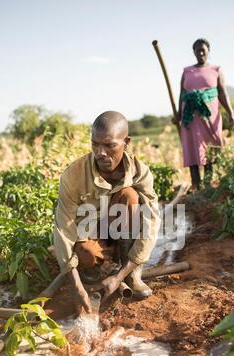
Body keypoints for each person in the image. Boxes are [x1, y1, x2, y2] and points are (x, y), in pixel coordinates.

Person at [53, 111, 160, 316]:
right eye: (95, 144)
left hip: (123, 229)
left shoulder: (140, 172)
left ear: (126, 142)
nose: (101, 152)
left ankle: (132, 274)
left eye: (109, 145)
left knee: (129, 196)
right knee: (86, 253)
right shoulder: (73, 175)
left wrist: (119, 277)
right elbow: (63, 229)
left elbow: (151, 224)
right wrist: (75, 286)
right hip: (92, 232)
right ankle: (94, 272)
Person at [176, 38, 234, 190]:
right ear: (194, 52)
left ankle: (208, 185)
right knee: (191, 146)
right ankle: (196, 184)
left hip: (210, 115)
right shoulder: (187, 71)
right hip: (190, 116)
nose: (200, 52)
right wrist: (178, 114)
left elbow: (223, 93)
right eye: (197, 50)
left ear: (208, 51)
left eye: (203, 49)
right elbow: (182, 93)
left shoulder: (216, 70)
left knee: (211, 148)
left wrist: (231, 113)